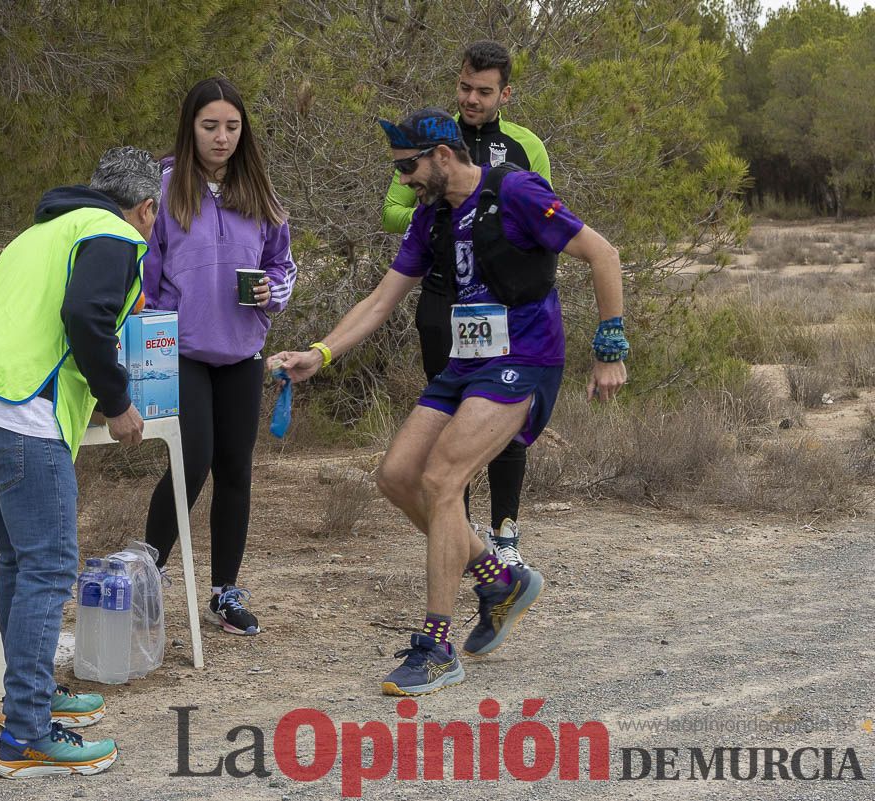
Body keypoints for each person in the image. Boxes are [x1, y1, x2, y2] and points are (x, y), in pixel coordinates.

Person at [271, 109, 628, 696]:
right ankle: (497, 580)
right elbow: (381, 300)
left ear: (441, 155)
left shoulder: (513, 188)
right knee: (397, 475)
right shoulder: (429, 219)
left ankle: (437, 647)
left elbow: (603, 254)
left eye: (407, 168)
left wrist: (610, 347)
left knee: (442, 481)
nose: (403, 181)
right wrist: (321, 352)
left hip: (523, 360)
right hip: (466, 363)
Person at [0, 147, 161, 777]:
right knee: (50, 567)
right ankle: (27, 732)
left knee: (21, 561)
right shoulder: (112, 232)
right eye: (153, 219)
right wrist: (117, 401)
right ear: (145, 208)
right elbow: (85, 316)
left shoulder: (41, 232)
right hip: (20, 412)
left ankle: (28, 696)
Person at [382, 40, 551, 567]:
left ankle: (506, 537)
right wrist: (434, 215)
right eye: (464, 88)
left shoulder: (525, 146)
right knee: (448, 423)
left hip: (499, 305)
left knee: (501, 421)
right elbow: (393, 207)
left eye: (484, 91)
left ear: (506, 93)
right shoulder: (431, 138)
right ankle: (460, 528)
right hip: (440, 295)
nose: (472, 99)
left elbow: (546, 219)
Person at [143, 77, 297, 637]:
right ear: (190, 127)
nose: (222, 137)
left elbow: (283, 267)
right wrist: (149, 329)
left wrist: (272, 294)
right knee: (193, 459)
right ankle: (146, 577)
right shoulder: (165, 190)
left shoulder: (261, 192)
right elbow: (147, 273)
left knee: (236, 468)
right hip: (182, 351)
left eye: (232, 126)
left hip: (243, 352)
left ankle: (225, 592)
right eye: (210, 126)